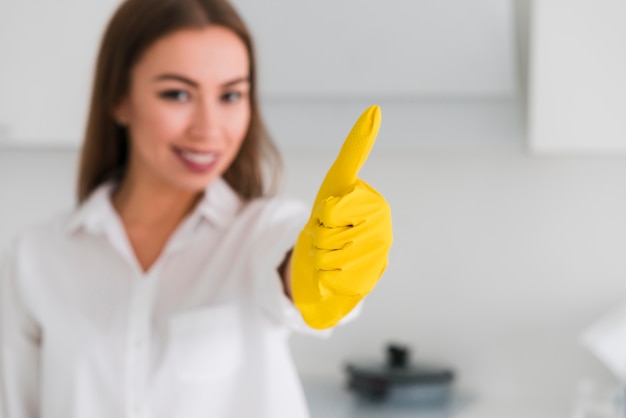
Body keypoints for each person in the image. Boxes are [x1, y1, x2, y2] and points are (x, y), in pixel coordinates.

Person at [0, 0, 392, 417]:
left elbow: (288, 269)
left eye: (231, 95)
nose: (208, 128)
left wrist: (321, 272)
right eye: (178, 94)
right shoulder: (37, 258)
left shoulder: (264, 233)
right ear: (119, 98)